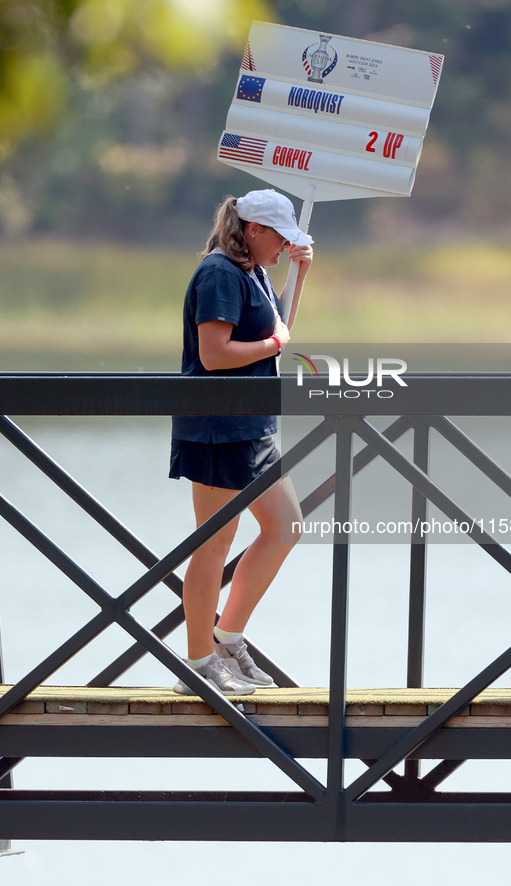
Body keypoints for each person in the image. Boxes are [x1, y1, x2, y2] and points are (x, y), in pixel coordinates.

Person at [169, 189, 314, 696]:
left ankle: (227, 640)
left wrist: (300, 275)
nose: (284, 247)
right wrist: (274, 344)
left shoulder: (254, 269)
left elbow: (279, 334)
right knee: (214, 543)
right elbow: (214, 355)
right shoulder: (219, 273)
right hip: (217, 429)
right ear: (253, 231)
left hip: (255, 427)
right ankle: (199, 664)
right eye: (281, 239)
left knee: (287, 526)